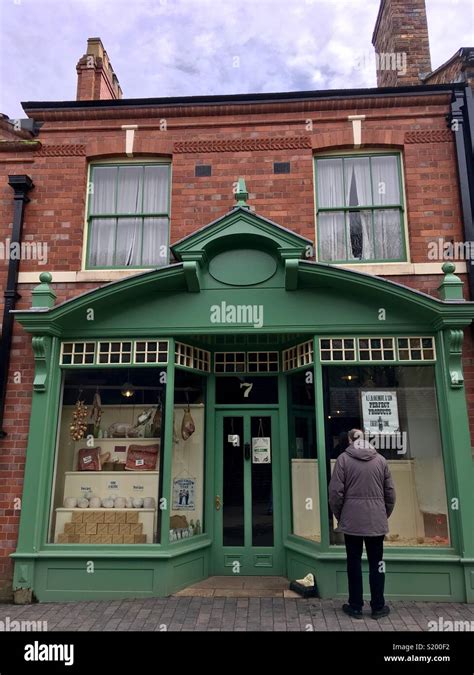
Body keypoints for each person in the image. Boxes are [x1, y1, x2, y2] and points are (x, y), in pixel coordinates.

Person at [329, 428, 396, 620]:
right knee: (377, 563)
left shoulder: (343, 459)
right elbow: (390, 493)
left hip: (352, 521)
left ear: (350, 440)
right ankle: (378, 606)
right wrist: (383, 514)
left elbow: (335, 493)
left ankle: (355, 606)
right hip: (376, 521)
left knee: (354, 562)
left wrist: (341, 515)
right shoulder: (381, 460)